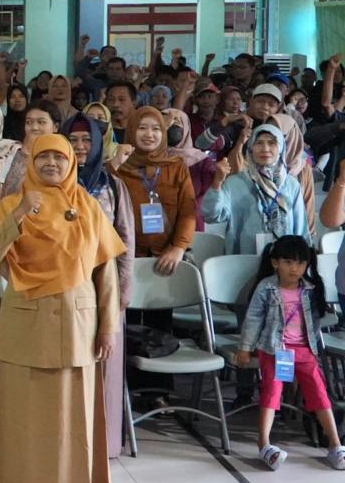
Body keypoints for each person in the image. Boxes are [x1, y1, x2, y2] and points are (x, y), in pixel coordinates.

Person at [0, 135, 124, 483]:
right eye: (43, 156)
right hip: (27, 320)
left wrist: (108, 327)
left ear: (71, 163)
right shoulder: (12, 203)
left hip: (78, 323)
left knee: (72, 412)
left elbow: (106, 274)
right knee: (21, 409)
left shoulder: (88, 206)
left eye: (59, 157)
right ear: (31, 161)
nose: (51, 164)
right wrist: (20, 213)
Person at [235, 235, 345, 471]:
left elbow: (314, 323)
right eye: (288, 262)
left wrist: (314, 349)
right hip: (274, 349)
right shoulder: (266, 287)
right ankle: (264, 444)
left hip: (304, 350)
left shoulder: (311, 288)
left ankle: (335, 444)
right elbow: (253, 319)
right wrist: (245, 348)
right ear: (275, 262)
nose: (294, 268)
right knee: (272, 392)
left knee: (319, 392)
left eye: (300, 263)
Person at [63, 114, 135, 458]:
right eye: (73, 140)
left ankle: (101, 445)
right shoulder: (53, 183)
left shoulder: (112, 185)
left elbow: (126, 239)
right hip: (64, 288)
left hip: (104, 288)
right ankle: (67, 443)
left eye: (86, 140)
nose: (79, 147)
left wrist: (122, 290)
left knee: (105, 362)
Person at [115, 106, 196, 400]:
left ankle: (158, 393)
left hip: (164, 259)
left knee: (160, 326)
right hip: (126, 261)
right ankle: (125, 393)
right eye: (142, 128)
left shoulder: (176, 167)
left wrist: (178, 247)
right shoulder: (120, 168)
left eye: (156, 129)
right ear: (131, 130)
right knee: (126, 326)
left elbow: (188, 211)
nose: (149, 134)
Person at [202, 124, 308, 255]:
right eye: (259, 143)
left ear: (281, 148)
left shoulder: (291, 185)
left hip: (284, 260)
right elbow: (211, 216)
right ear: (251, 147)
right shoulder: (234, 183)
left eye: (272, 143)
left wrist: (304, 258)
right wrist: (217, 183)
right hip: (243, 259)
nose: (265, 149)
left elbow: (300, 228)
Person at [164, 107, 216, 231]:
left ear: (186, 126)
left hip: (191, 225)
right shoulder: (152, 159)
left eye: (177, 122)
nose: (172, 126)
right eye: (167, 122)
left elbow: (210, 197)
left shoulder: (202, 161)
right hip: (159, 224)